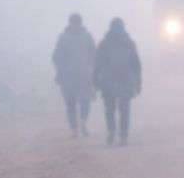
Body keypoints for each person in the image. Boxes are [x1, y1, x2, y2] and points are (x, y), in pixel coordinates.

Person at [93, 17, 142, 146]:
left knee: (112, 109)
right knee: (121, 109)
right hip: (120, 80)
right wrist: (138, 82)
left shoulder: (105, 44)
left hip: (112, 80)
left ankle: (114, 133)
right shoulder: (127, 43)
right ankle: (120, 134)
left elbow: (97, 64)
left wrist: (95, 79)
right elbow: (136, 64)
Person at [52, 13, 97, 137]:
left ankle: (76, 127)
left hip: (72, 75)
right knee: (81, 101)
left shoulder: (63, 38)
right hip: (81, 75)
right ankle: (80, 123)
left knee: (74, 102)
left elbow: (56, 57)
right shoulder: (86, 37)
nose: (75, 25)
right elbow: (94, 55)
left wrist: (60, 70)